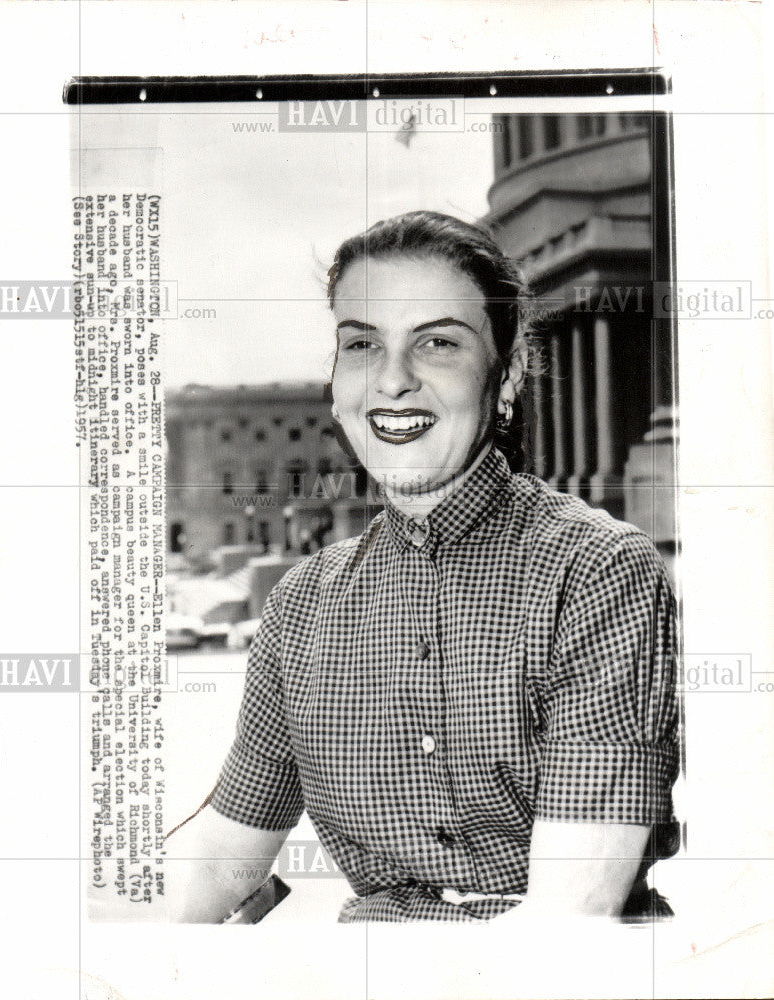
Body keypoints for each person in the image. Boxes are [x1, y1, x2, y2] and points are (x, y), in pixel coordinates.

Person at [170, 210, 680, 924]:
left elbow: (573, 914)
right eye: (361, 345)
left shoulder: (596, 570)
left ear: (504, 381)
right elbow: (225, 855)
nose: (393, 380)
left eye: (438, 343)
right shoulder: (300, 605)